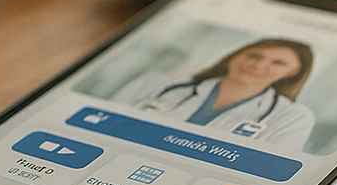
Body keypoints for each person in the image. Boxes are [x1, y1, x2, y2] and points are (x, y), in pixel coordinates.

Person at [111, 38, 316, 152]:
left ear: (292, 73)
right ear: (234, 57)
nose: (259, 65)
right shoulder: (156, 83)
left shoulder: (293, 118)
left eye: (278, 62)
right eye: (254, 55)